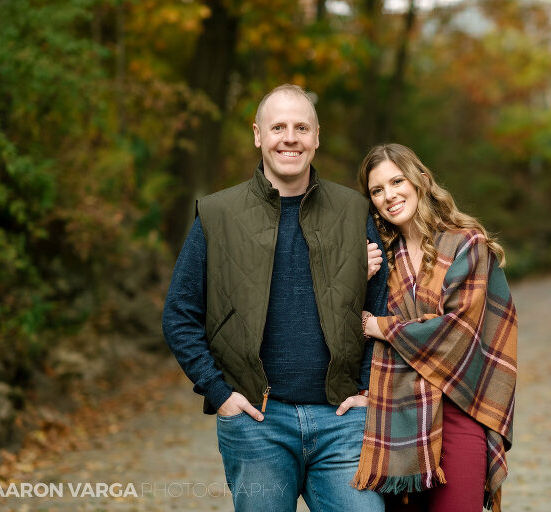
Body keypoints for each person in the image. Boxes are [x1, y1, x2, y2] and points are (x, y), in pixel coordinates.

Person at [161, 84, 387, 512]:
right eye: (278, 126)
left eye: (301, 127)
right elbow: (179, 316)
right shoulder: (217, 214)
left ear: (316, 137)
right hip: (256, 423)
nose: (290, 137)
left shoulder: (354, 211)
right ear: (257, 135)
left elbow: (383, 307)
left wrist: (367, 388)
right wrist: (219, 393)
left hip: (343, 419)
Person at [352, 143, 518, 512]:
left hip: (459, 406)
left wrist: (379, 326)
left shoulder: (466, 244)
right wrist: (355, 279)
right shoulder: (379, 257)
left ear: (421, 181)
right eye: (377, 190)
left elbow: (455, 334)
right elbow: (344, 327)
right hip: (394, 417)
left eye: (397, 181)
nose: (389, 196)